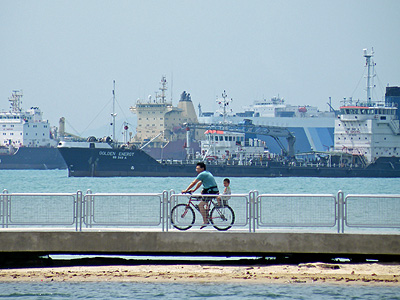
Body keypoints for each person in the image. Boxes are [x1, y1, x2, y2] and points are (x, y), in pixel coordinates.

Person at [182, 162, 219, 229]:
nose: (196, 170)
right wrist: (193, 190)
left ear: (202, 168)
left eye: (198, 169)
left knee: (200, 205)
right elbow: (199, 183)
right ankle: (206, 211)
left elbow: (194, 182)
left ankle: (205, 221)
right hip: (211, 191)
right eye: (196, 168)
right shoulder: (206, 173)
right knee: (200, 197)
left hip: (210, 192)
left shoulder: (202, 174)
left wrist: (186, 190)